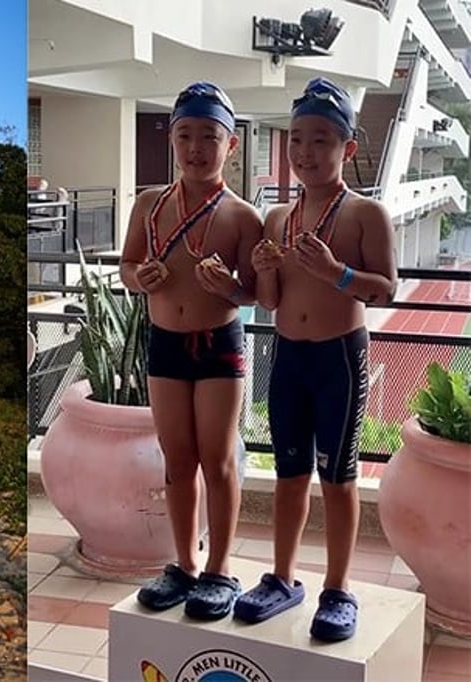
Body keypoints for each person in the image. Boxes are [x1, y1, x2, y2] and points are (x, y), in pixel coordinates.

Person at [233, 77, 397, 642]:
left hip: (339, 361)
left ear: (347, 149)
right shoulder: (278, 218)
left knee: (338, 477)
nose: (305, 152)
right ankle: (282, 578)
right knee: (287, 474)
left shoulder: (365, 215)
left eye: (321, 140)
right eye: (297, 139)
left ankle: (338, 588)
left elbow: (386, 290)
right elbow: (269, 301)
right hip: (288, 358)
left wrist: (336, 273)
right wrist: (267, 269)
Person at [119, 81, 262, 620]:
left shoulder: (241, 216)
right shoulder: (149, 205)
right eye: (185, 135)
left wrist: (227, 286)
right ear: (171, 141)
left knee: (218, 461)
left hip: (219, 346)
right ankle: (183, 564)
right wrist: (143, 279)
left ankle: (220, 569)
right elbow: (127, 267)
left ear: (230, 146)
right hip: (164, 345)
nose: (196, 147)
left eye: (209, 136)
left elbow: (252, 292)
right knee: (177, 461)